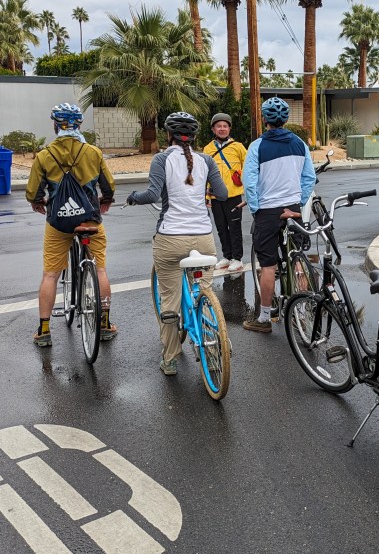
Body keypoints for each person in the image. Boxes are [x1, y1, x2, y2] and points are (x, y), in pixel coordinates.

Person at [126, 112, 227, 375]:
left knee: (169, 300)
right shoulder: (206, 160)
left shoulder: (162, 158)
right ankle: (216, 342)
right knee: (203, 291)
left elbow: (151, 193)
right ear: (194, 137)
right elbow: (224, 193)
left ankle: (170, 358)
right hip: (204, 238)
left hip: (171, 238)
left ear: (168, 135)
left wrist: (133, 197)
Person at [26, 102, 117, 348]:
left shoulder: (45, 155)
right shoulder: (93, 152)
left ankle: (44, 329)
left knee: (51, 274)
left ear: (56, 125)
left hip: (59, 222)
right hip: (89, 218)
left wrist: (38, 202)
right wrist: (105, 200)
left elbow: (33, 191)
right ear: (79, 125)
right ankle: (105, 324)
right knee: (100, 270)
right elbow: (108, 185)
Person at [241, 96, 316, 334]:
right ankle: (301, 311)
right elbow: (309, 178)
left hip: (268, 210)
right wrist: (299, 203)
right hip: (292, 208)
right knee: (297, 259)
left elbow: (250, 184)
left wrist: (256, 209)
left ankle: (264, 318)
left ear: (265, 120)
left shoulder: (257, 146)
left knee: (268, 266)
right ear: (285, 120)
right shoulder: (300, 144)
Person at [203, 112, 248, 273]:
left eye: (225, 126)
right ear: (213, 129)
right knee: (221, 227)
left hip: (233, 194)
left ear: (229, 128)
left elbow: (248, 168)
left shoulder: (238, 147)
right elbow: (205, 174)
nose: (222, 129)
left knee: (234, 227)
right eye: (218, 126)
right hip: (215, 196)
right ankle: (227, 256)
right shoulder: (207, 149)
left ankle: (237, 258)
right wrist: (207, 196)